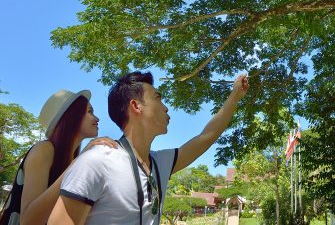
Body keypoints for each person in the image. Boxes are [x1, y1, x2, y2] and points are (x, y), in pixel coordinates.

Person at [48, 71, 249, 225]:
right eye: (158, 97)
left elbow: (206, 137)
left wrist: (235, 96)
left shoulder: (160, 163)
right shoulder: (98, 160)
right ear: (136, 106)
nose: (166, 106)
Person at [0, 89, 117, 225]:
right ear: (71, 116)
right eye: (90, 111)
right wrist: (79, 163)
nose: (97, 118)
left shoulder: (71, 161)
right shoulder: (44, 149)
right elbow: (29, 220)